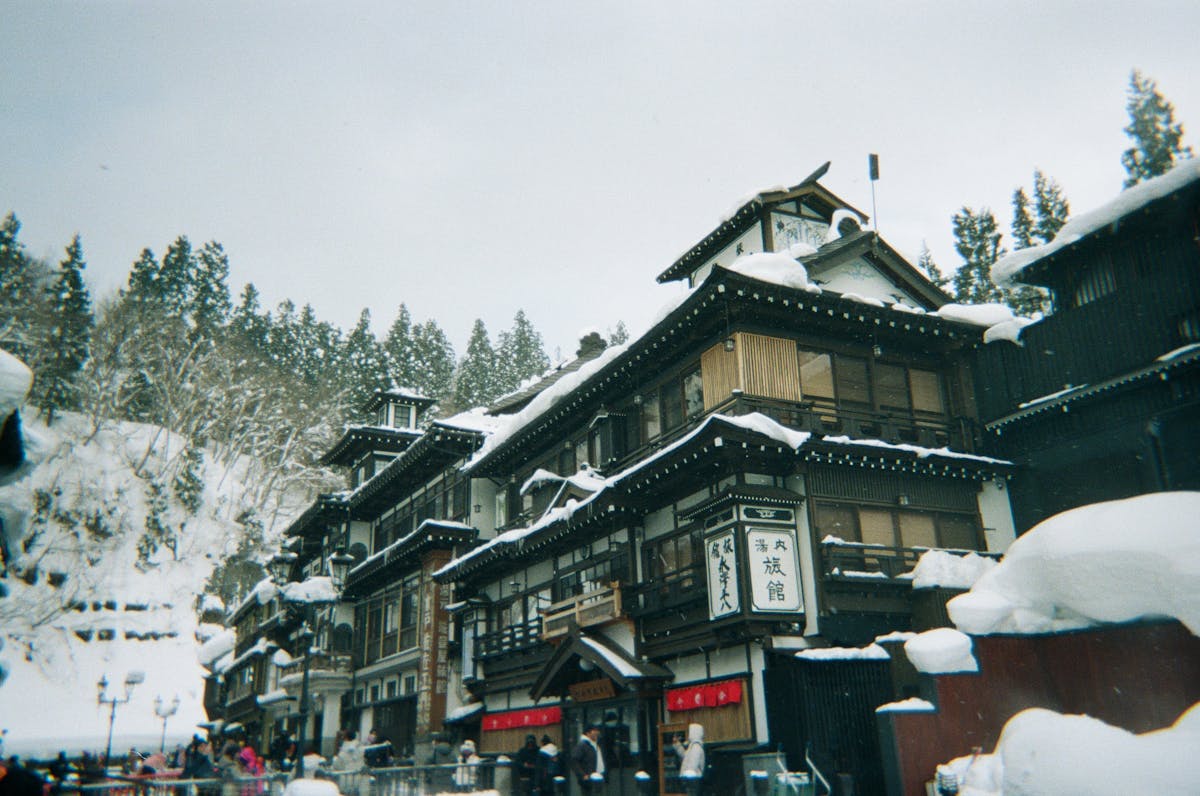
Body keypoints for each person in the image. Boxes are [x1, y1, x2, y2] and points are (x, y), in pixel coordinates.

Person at [569, 725, 604, 794]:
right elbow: (574, 761)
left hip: (597, 778)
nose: (597, 733)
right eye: (594, 731)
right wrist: (583, 775)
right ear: (587, 733)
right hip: (588, 779)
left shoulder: (595, 745)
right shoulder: (582, 745)